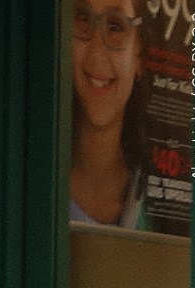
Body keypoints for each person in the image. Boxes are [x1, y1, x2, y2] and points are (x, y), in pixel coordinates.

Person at [69, 0, 150, 228]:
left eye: (115, 27)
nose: (96, 54)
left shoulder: (154, 201)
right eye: (83, 19)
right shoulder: (30, 177)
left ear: (138, 55)